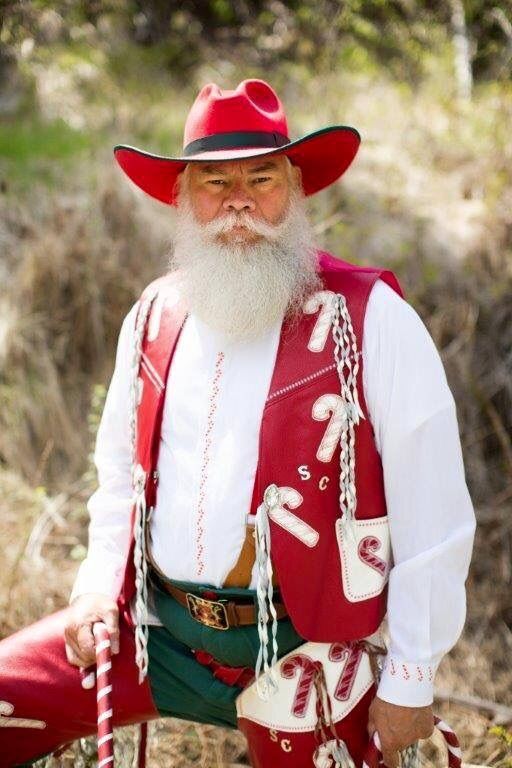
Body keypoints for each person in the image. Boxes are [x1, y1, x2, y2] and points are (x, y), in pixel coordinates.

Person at [0, 79, 476, 768]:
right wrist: (97, 590)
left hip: (309, 651)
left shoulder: (372, 320)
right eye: (214, 182)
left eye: (262, 177)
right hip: (155, 634)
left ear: (296, 185)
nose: (239, 201)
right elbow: (117, 478)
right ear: (183, 198)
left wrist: (410, 676)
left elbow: (433, 514)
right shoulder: (154, 316)